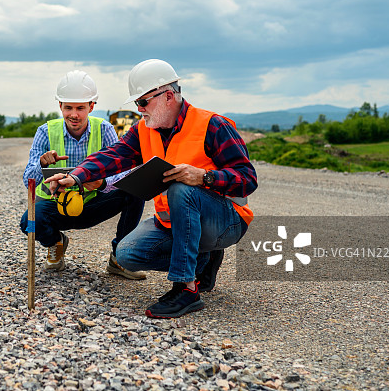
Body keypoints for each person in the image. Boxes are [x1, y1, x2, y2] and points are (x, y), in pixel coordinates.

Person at [46, 59, 257, 318]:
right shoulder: (144, 130)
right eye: (137, 103)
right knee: (126, 255)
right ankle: (204, 261)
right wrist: (77, 177)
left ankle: (185, 288)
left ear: (168, 96)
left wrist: (204, 177)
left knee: (182, 188)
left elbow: (247, 178)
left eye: (143, 102)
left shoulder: (212, 126)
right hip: (176, 224)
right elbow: (113, 156)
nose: (139, 110)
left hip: (226, 222)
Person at [19, 70, 146, 280]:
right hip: (58, 205)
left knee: (135, 189)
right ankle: (55, 243)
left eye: (80, 108)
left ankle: (118, 259)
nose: (74, 114)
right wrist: (41, 164)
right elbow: (28, 181)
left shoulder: (104, 129)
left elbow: (121, 173)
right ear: (60, 106)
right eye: (68, 107)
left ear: (91, 106)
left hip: (94, 203)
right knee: (28, 222)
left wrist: (101, 183)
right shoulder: (45, 132)